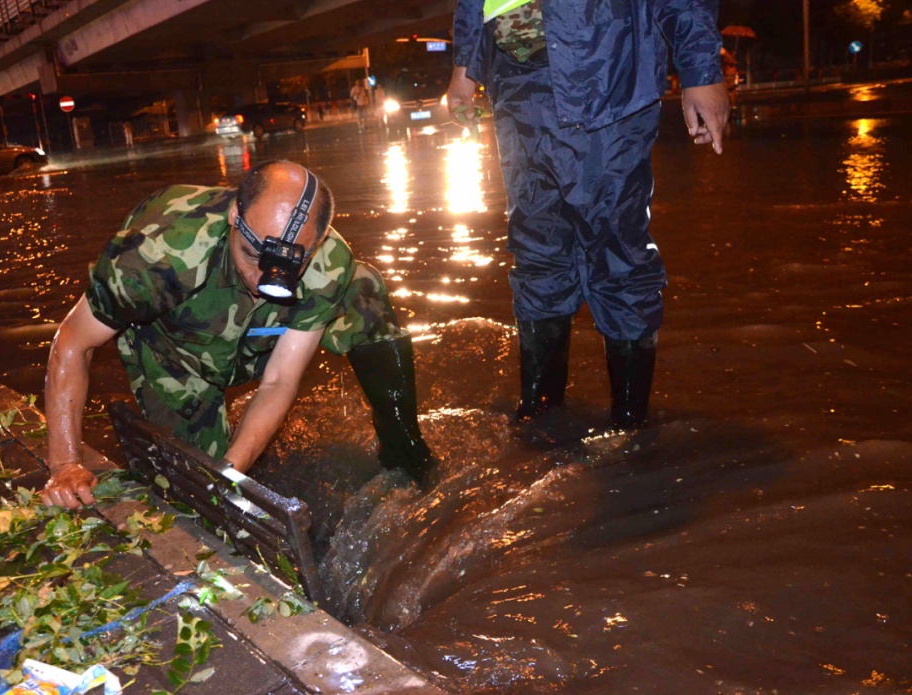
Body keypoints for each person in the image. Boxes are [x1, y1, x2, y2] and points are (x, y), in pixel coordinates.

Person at [40, 160, 435, 509]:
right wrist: (65, 464)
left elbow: (279, 380)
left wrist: (231, 473)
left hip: (262, 332)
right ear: (234, 215)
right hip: (175, 348)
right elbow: (73, 342)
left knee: (362, 284)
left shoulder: (326, 261)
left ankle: (403, 449)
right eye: (251, 255)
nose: (262, 281)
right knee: (190, 489)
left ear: (313, 247)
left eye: (283, 269)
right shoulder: (158, 255)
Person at [446, 0, 730, 429]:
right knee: (536, 252)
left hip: (605, 74)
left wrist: (701, 71)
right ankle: (541, 415)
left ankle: (629, 426)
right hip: (516, 88)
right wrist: (464, 69)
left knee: (618, 252)